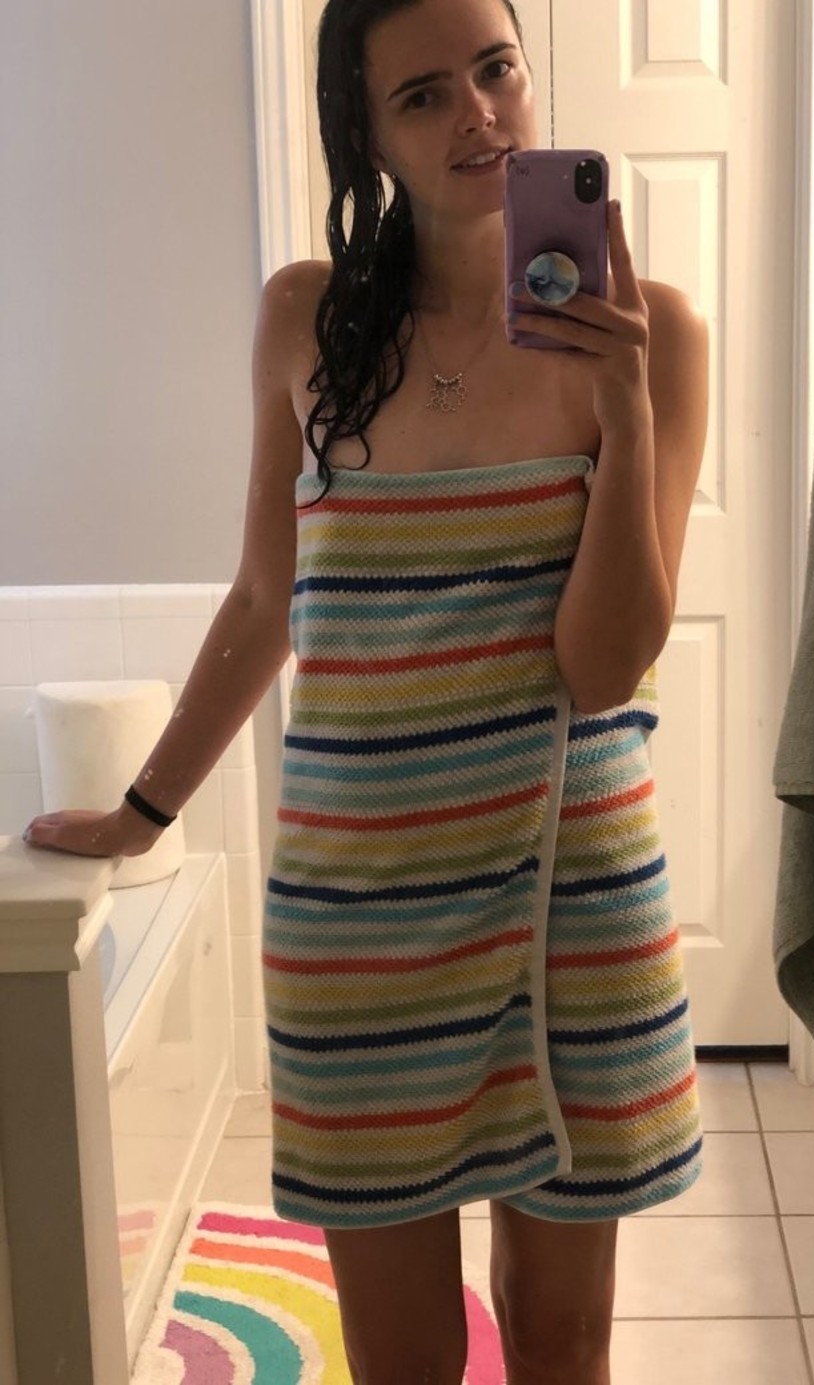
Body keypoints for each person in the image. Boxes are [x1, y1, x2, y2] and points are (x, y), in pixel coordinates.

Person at [24, 0, 710, 1379]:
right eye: (424, 95)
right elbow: (262, 601)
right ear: (369, 136)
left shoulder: (655, 331)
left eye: (497, 69)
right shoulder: (307, 319)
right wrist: (144, 810)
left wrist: (626, 415)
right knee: (399, 1356)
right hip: (358, 911)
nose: (479, 114)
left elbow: (603, 667)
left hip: (567, 903)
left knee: (563, 1343)